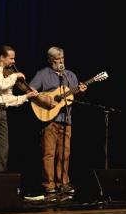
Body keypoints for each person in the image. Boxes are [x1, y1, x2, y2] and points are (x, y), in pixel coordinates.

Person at [29, 46, 87, 194]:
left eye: (62, 58)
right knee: (49, 153)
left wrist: (81, 92)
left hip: (66, 119)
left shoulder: (70, 76)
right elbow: (30, 91)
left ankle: (63, 183)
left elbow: (75, 97)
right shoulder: (42, 74)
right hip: (49, 119)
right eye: (57, 59)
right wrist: (47, 100)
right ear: (50, 60)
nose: (60, 61)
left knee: (65, 154)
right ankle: (49, 185)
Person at [0, 45, 38, 172]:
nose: (13, 61)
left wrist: (27, 95)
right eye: (11, 58)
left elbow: (8, 98)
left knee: (3, 149)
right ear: (2, 57)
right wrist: (15, 76)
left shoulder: (8, 74)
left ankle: (1, 183)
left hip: (3, 111)